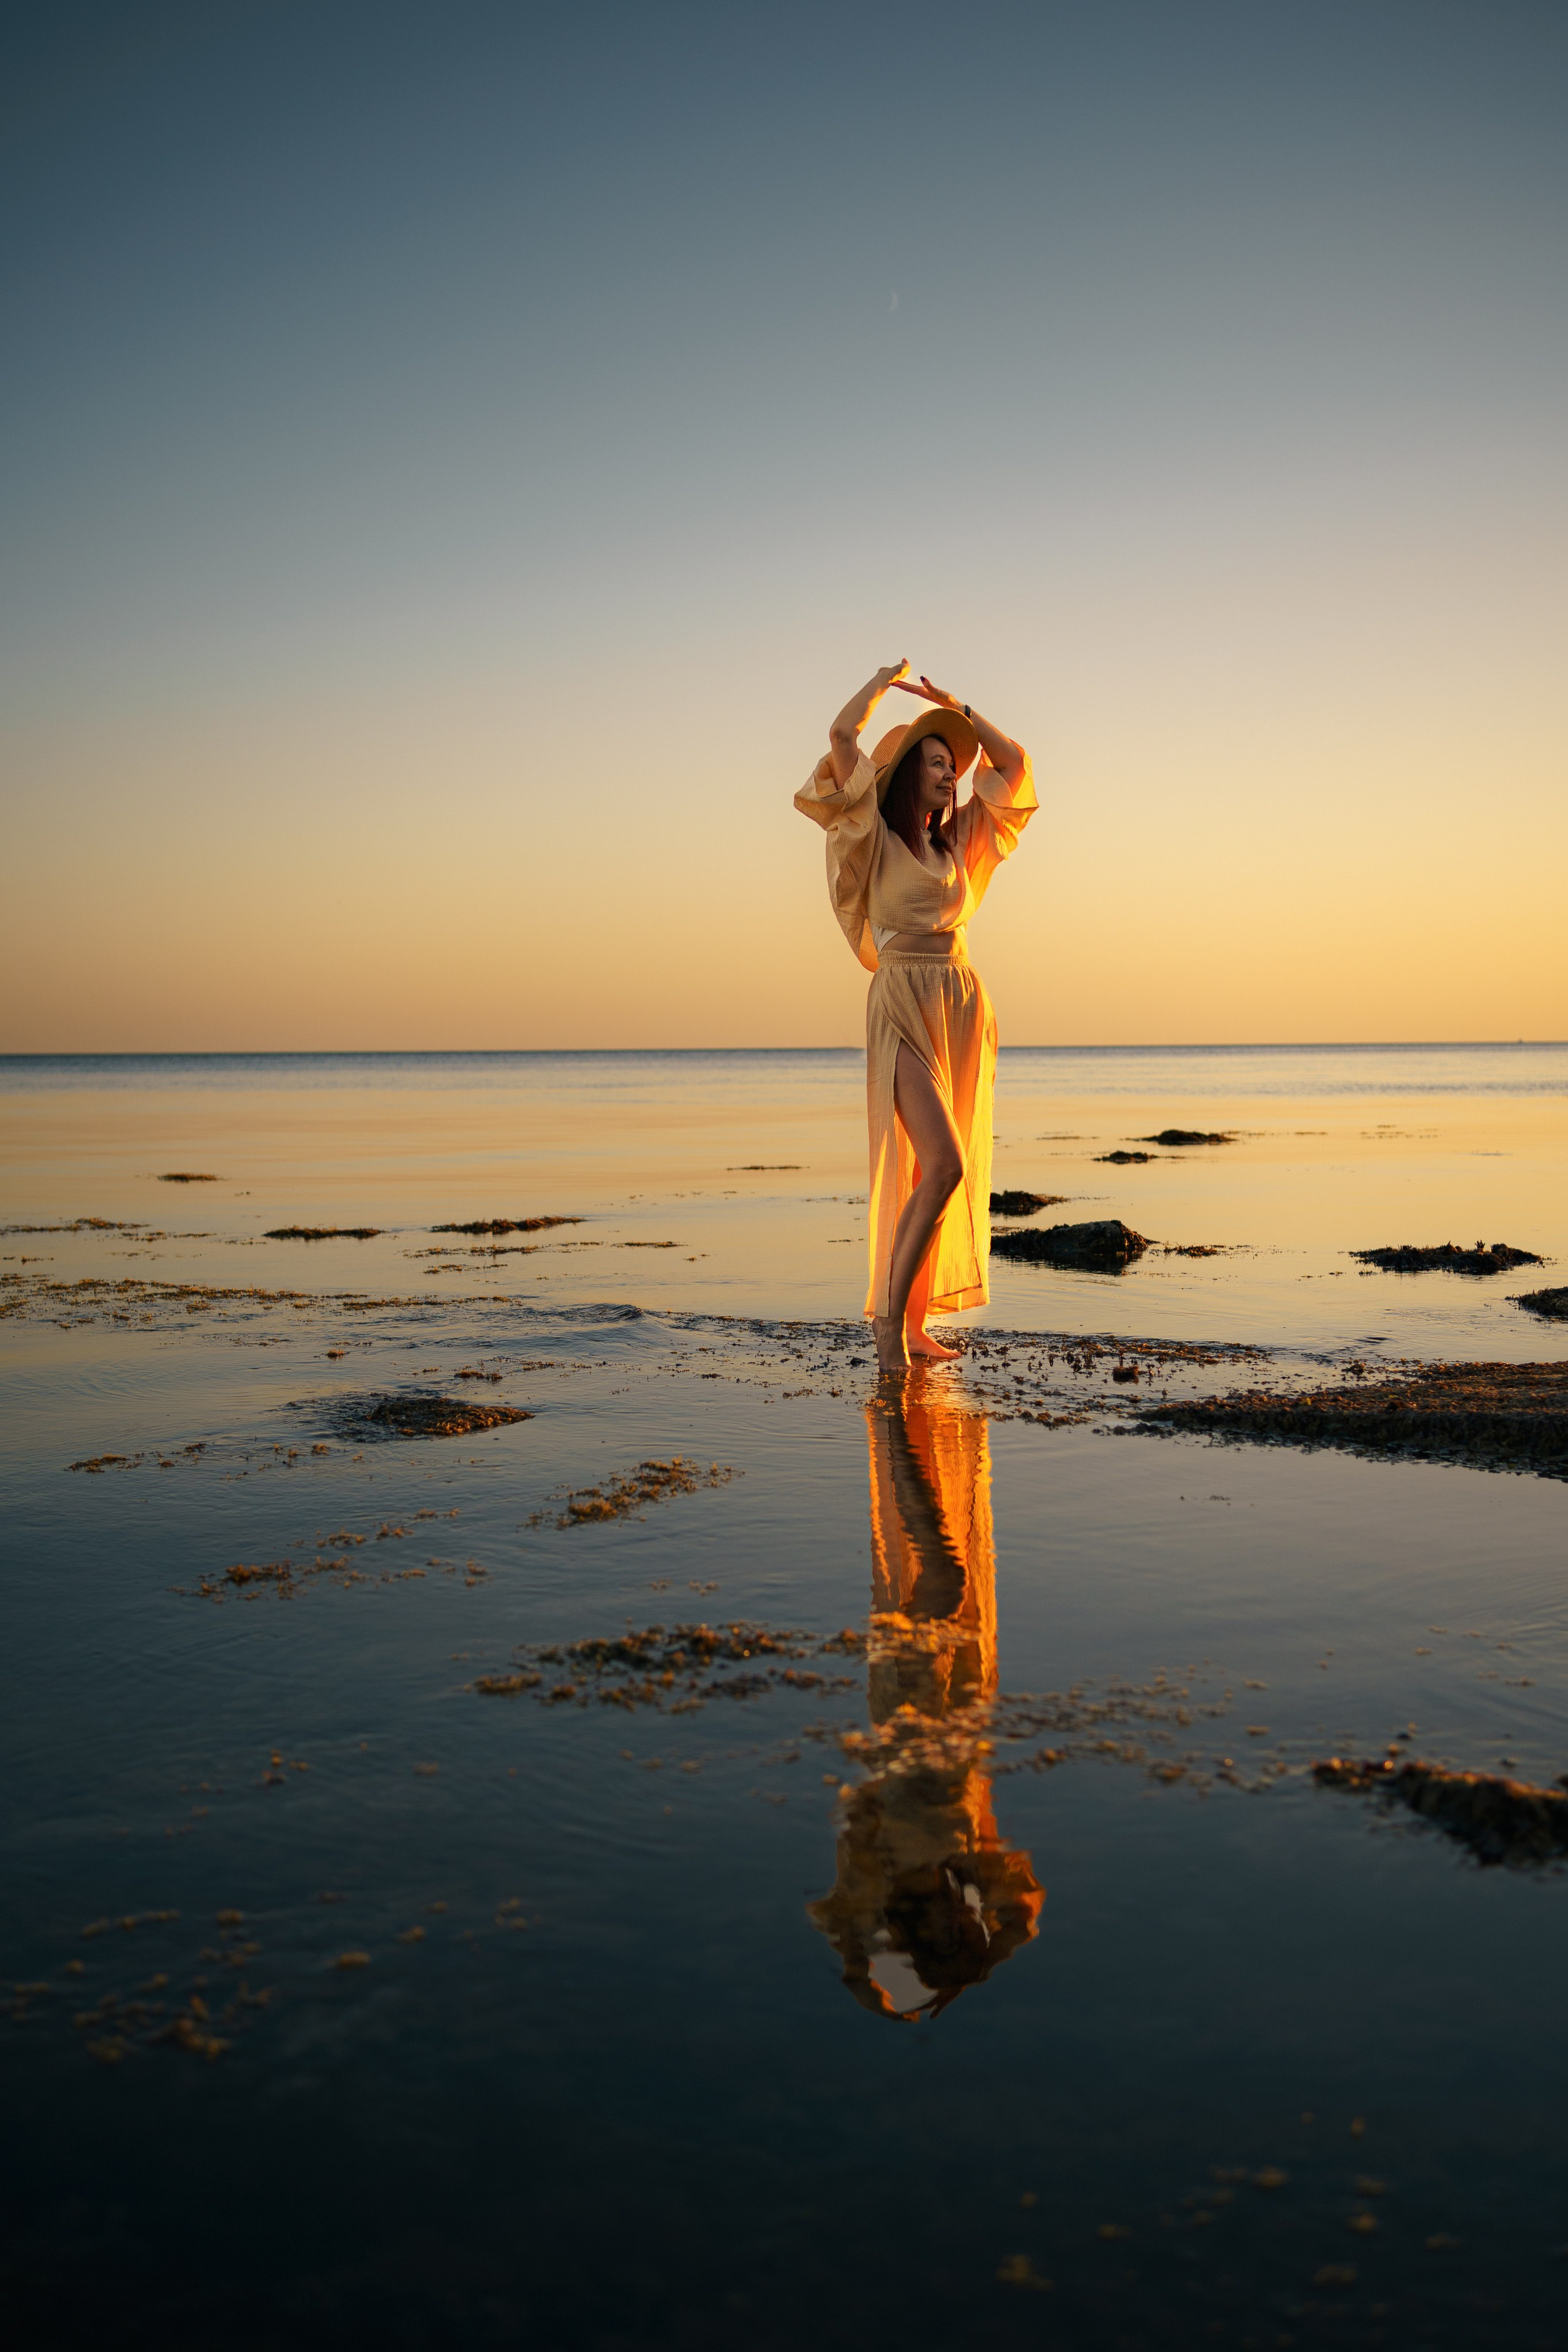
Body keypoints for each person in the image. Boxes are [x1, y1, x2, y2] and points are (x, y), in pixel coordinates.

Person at [796, 662, 1036, 1372]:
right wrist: (882, 681)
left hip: (961, 1003)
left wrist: (958, 707)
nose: (949, 775)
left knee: (940, 1172)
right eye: (936, 763)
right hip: (902, 999)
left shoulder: (955, 841)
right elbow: (842, 734)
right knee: (941, 1165)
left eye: (951, 765)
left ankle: (914, 1321)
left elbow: (1014, 764)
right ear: (906, 774)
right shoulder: (873, 834)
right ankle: (886, 1329)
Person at [805, 1374, 1044, 2021]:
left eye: (936, 1944)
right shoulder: (969, 1864)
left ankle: (891, 1433)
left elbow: (851, 1961)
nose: (947, 1928)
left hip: (905, 1716)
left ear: (912, 1942)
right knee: (951, 1578)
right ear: (968, 1926)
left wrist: (894, 2003)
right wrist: (982, 1967)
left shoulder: (875, 1879)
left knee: (942, 1577)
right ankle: (897, 1432)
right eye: (959, 1936)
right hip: (964, 1711)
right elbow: (1023, 1921)